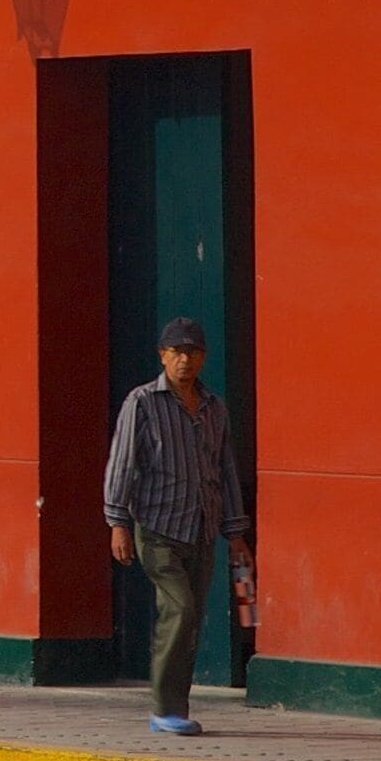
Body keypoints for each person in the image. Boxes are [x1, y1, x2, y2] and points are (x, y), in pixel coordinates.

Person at [103, 315, 251, 735]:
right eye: (177, 352)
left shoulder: (213, 407)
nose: (185, 360)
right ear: (162, 355)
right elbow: (122, 462)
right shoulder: (142, 402)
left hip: (200, 529)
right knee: (180, 608)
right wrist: (117, 522)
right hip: (157, 529)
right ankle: (164, 708)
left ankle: (177, 709)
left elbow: (224, 469)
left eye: (193, 352)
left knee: (191, 620)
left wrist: (235, 533)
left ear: (203, 357)